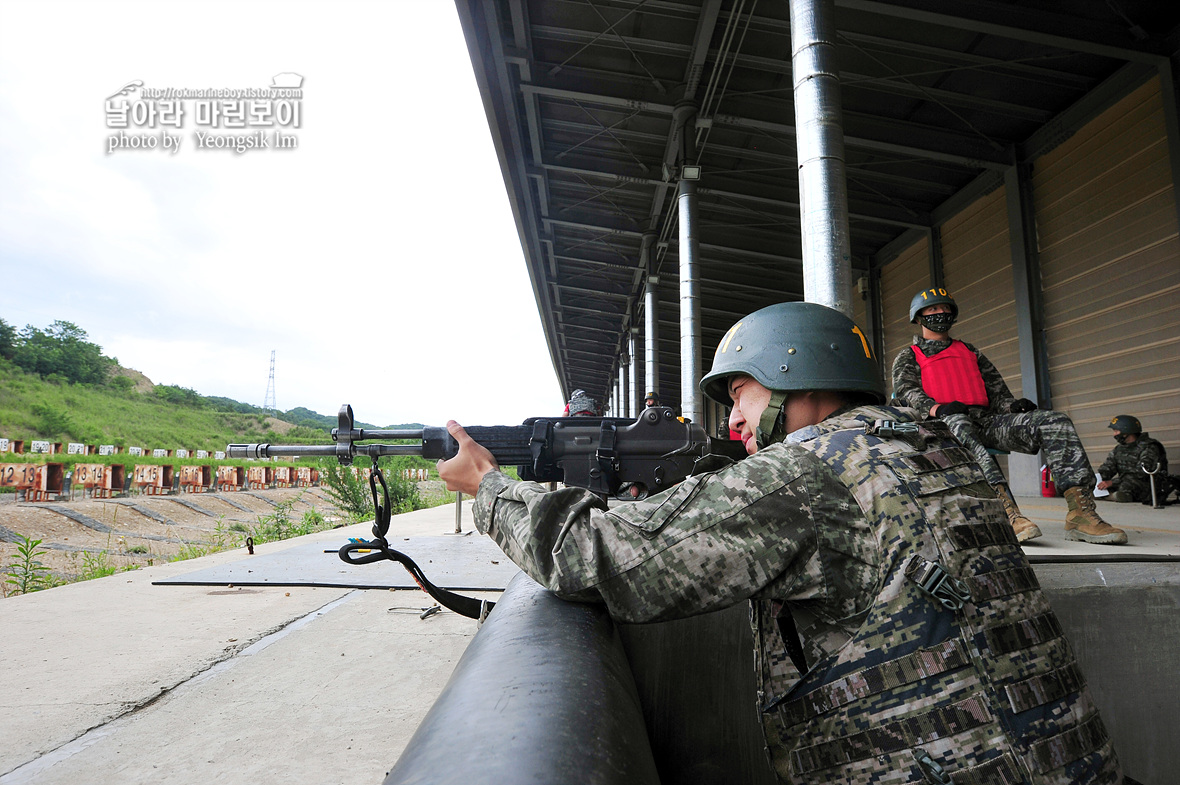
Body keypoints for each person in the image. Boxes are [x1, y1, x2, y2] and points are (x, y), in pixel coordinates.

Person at [439, 302, 1121, 784]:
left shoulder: (804, 472)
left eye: (742, 392)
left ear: (798, 377)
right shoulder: (936, 449)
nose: (733, 415)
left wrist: (489, 486)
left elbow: (596, 557)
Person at [892, 287, 1127, 545]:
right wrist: (936, 408)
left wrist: (1012, 406)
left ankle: (1081, 514)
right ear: (919, 316)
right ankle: (1004, 513)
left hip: (986, 421)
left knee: (1054, 421)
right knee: (959, 423)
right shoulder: (909, 356)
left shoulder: (970, 352)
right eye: (933, 309)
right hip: (941, 424)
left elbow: (997, 391)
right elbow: (906, 391)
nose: (941, 313)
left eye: (946, 308)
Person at [1097, 415, 1171, 504]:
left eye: (1116, 431)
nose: (1114, 434)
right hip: (1123, 482)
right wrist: (1097, 480)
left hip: (1147, 487)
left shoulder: (1149, 446)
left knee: (1127, 485)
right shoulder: (1119, 449)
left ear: (1126, 431)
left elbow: (1142, 472)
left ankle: (1117, 496)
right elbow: (1108, 467)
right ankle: (1113, 496)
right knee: (1098, 487)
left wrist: (1112, 482)